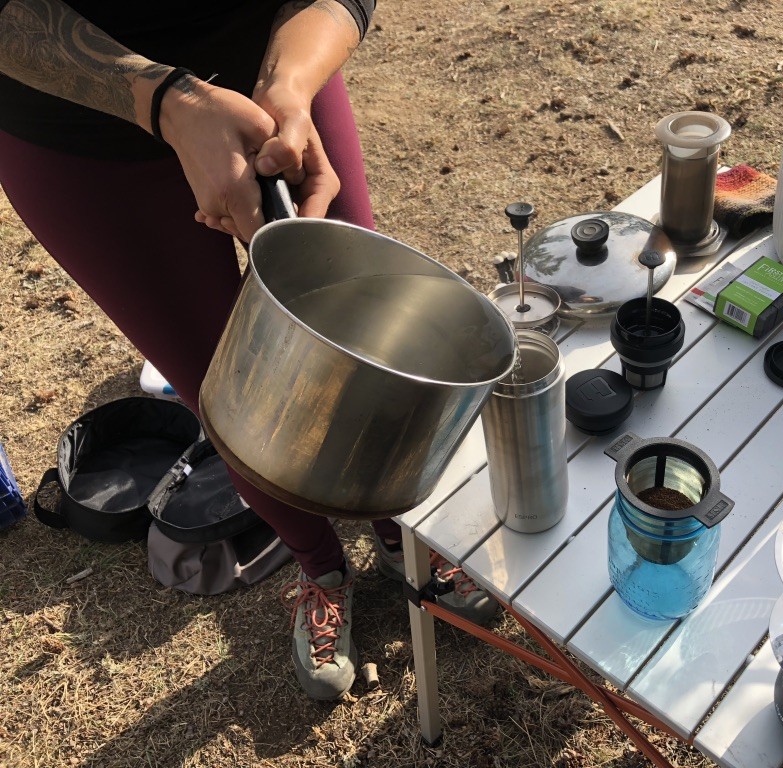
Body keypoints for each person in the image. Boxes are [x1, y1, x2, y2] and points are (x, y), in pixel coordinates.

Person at [0, 0, 497, 702]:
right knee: (227, 393)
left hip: (275, 87)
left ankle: (404, 532)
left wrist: (292, 81)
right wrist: (171, 103)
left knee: (366, 344)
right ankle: (319, 567)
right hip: (81, 138)